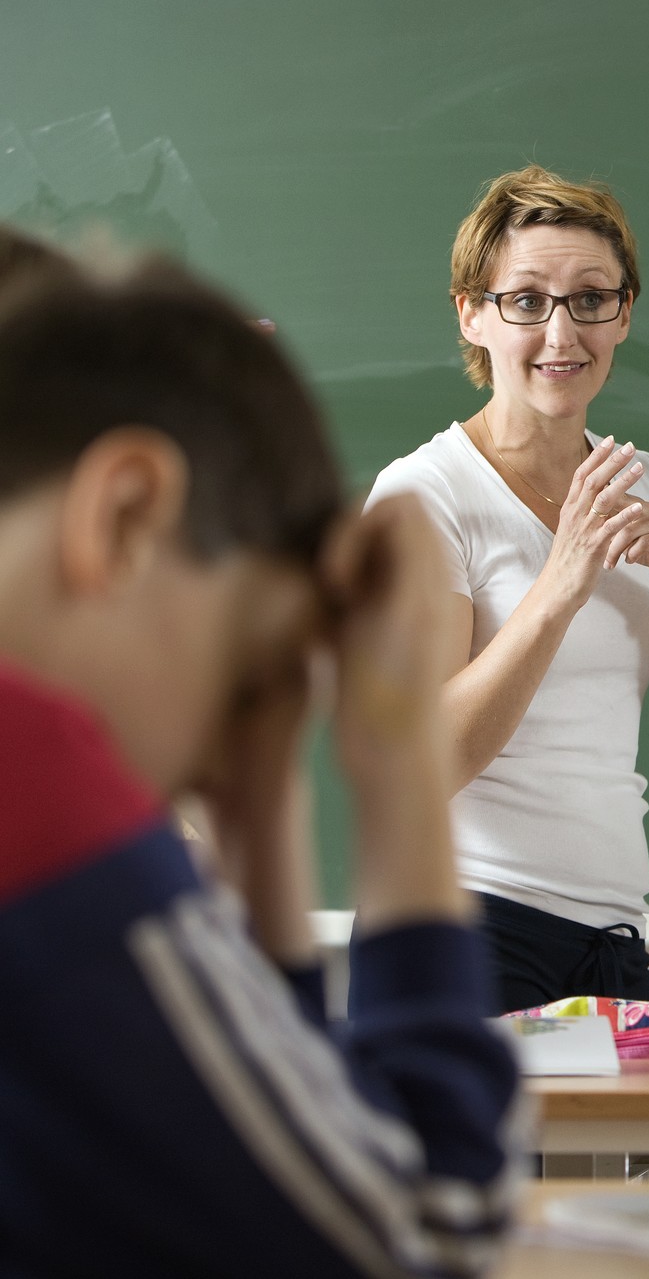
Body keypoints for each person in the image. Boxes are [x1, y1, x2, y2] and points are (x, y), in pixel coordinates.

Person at [0, 231, 522, 1275]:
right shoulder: (44, 799)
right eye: (248, 675)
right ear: (127, 513)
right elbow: (424, 1230)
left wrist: (258, 810)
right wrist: (400, 757)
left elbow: (273, 1146)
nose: (217, 751)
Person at [367, 167, 649, 1014]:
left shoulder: (641, 482)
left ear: (623, 314)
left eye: (590, 299)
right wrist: (560, 583)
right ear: (472, 314)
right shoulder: (424, 495)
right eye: (526, 300)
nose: (562, 332)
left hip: (609, 937)